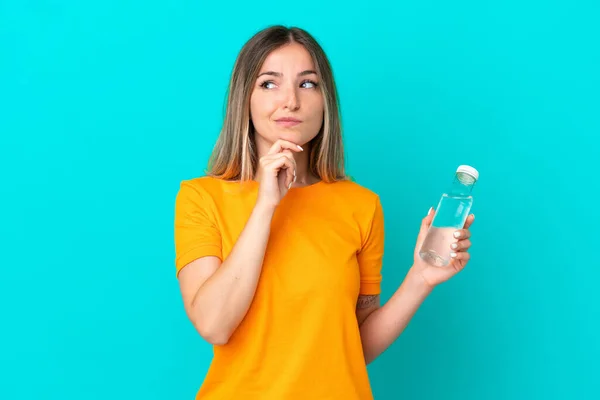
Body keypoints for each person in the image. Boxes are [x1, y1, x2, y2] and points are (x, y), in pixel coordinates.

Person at [173, 25, 474, 400]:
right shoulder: (201, 197)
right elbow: (214, 325)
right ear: (244, 98)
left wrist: (421, 279)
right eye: (269, 83)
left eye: (307, 84)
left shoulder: (361, 205)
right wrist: (266, 204)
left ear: (325, 99)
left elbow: (352, 347)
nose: (290, 101)